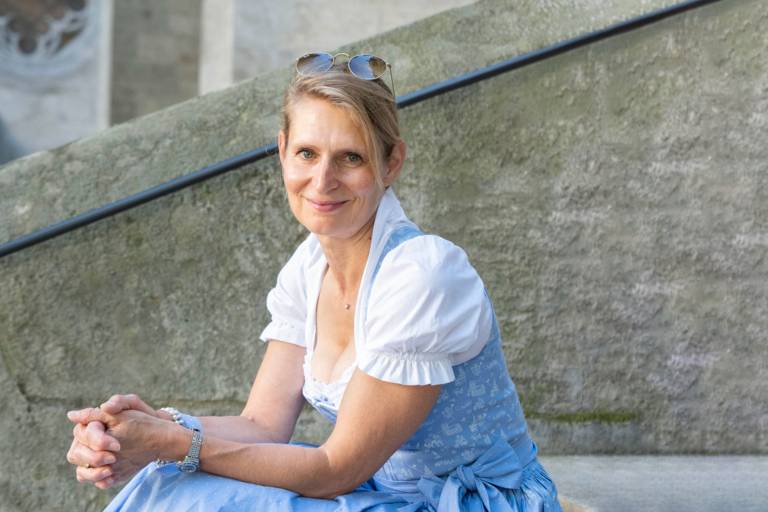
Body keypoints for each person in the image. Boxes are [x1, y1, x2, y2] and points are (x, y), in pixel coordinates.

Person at [66, 52, 563, 511]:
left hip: (465, 504)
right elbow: (262, 425)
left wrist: (175, 444)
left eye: (351, 157)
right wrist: (146, 429)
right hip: (376, 491)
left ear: (391, 163)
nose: (322, 181)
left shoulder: (422, 275)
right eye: (307, 153)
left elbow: (336, 468)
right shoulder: (309, 267)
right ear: (282, 152)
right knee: (165, 483)